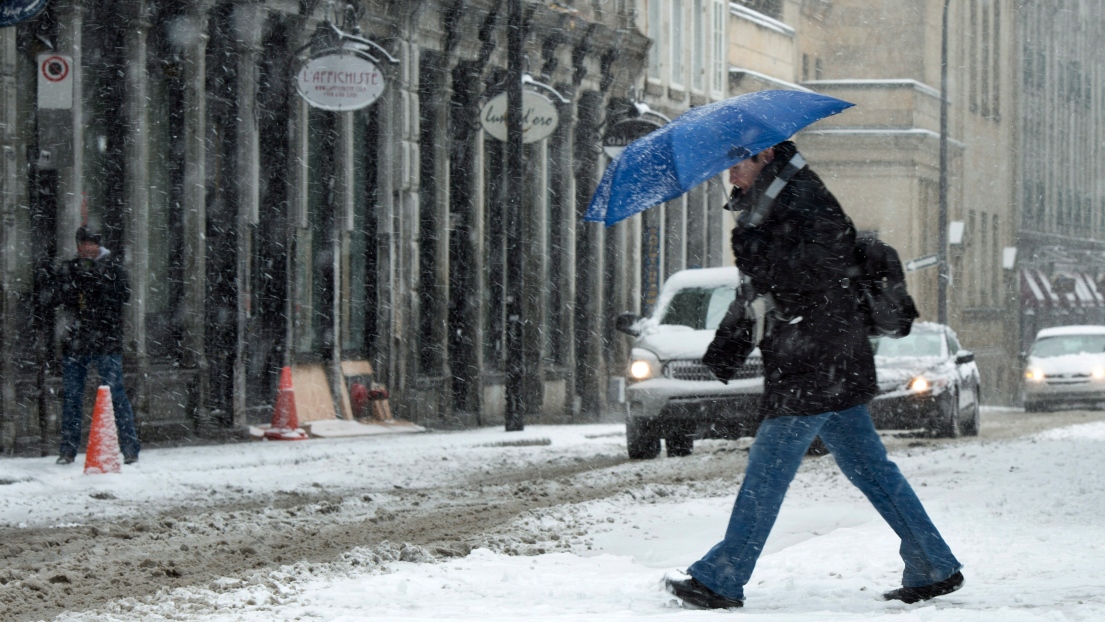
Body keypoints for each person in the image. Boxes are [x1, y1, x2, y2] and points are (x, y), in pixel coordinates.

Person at [664, 141, 962, 609]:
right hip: (823, 361)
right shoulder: (772, 203)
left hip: (815, 363)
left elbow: (812, 277)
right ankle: (933, 562)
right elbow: (763, 290)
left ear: (765, 156)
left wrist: (758, 256)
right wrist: (726, 350)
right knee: (870, 469)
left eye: (736, 162)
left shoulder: (802, 199)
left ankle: (722, 576)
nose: (729, 173)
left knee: (768, 471)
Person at [49, 226, 141, 465]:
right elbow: (58, 297)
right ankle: (68, 450)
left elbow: (124, 295)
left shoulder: (112, 266)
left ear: (98, 245)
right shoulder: (70, 267)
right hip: (76, 341)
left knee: (115, 395)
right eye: (84, 244)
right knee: (72, 397)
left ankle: (130, 448)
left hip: (106, 341)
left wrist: (99, 281)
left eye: (92, 244)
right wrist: (74, 282)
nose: (87, 249)